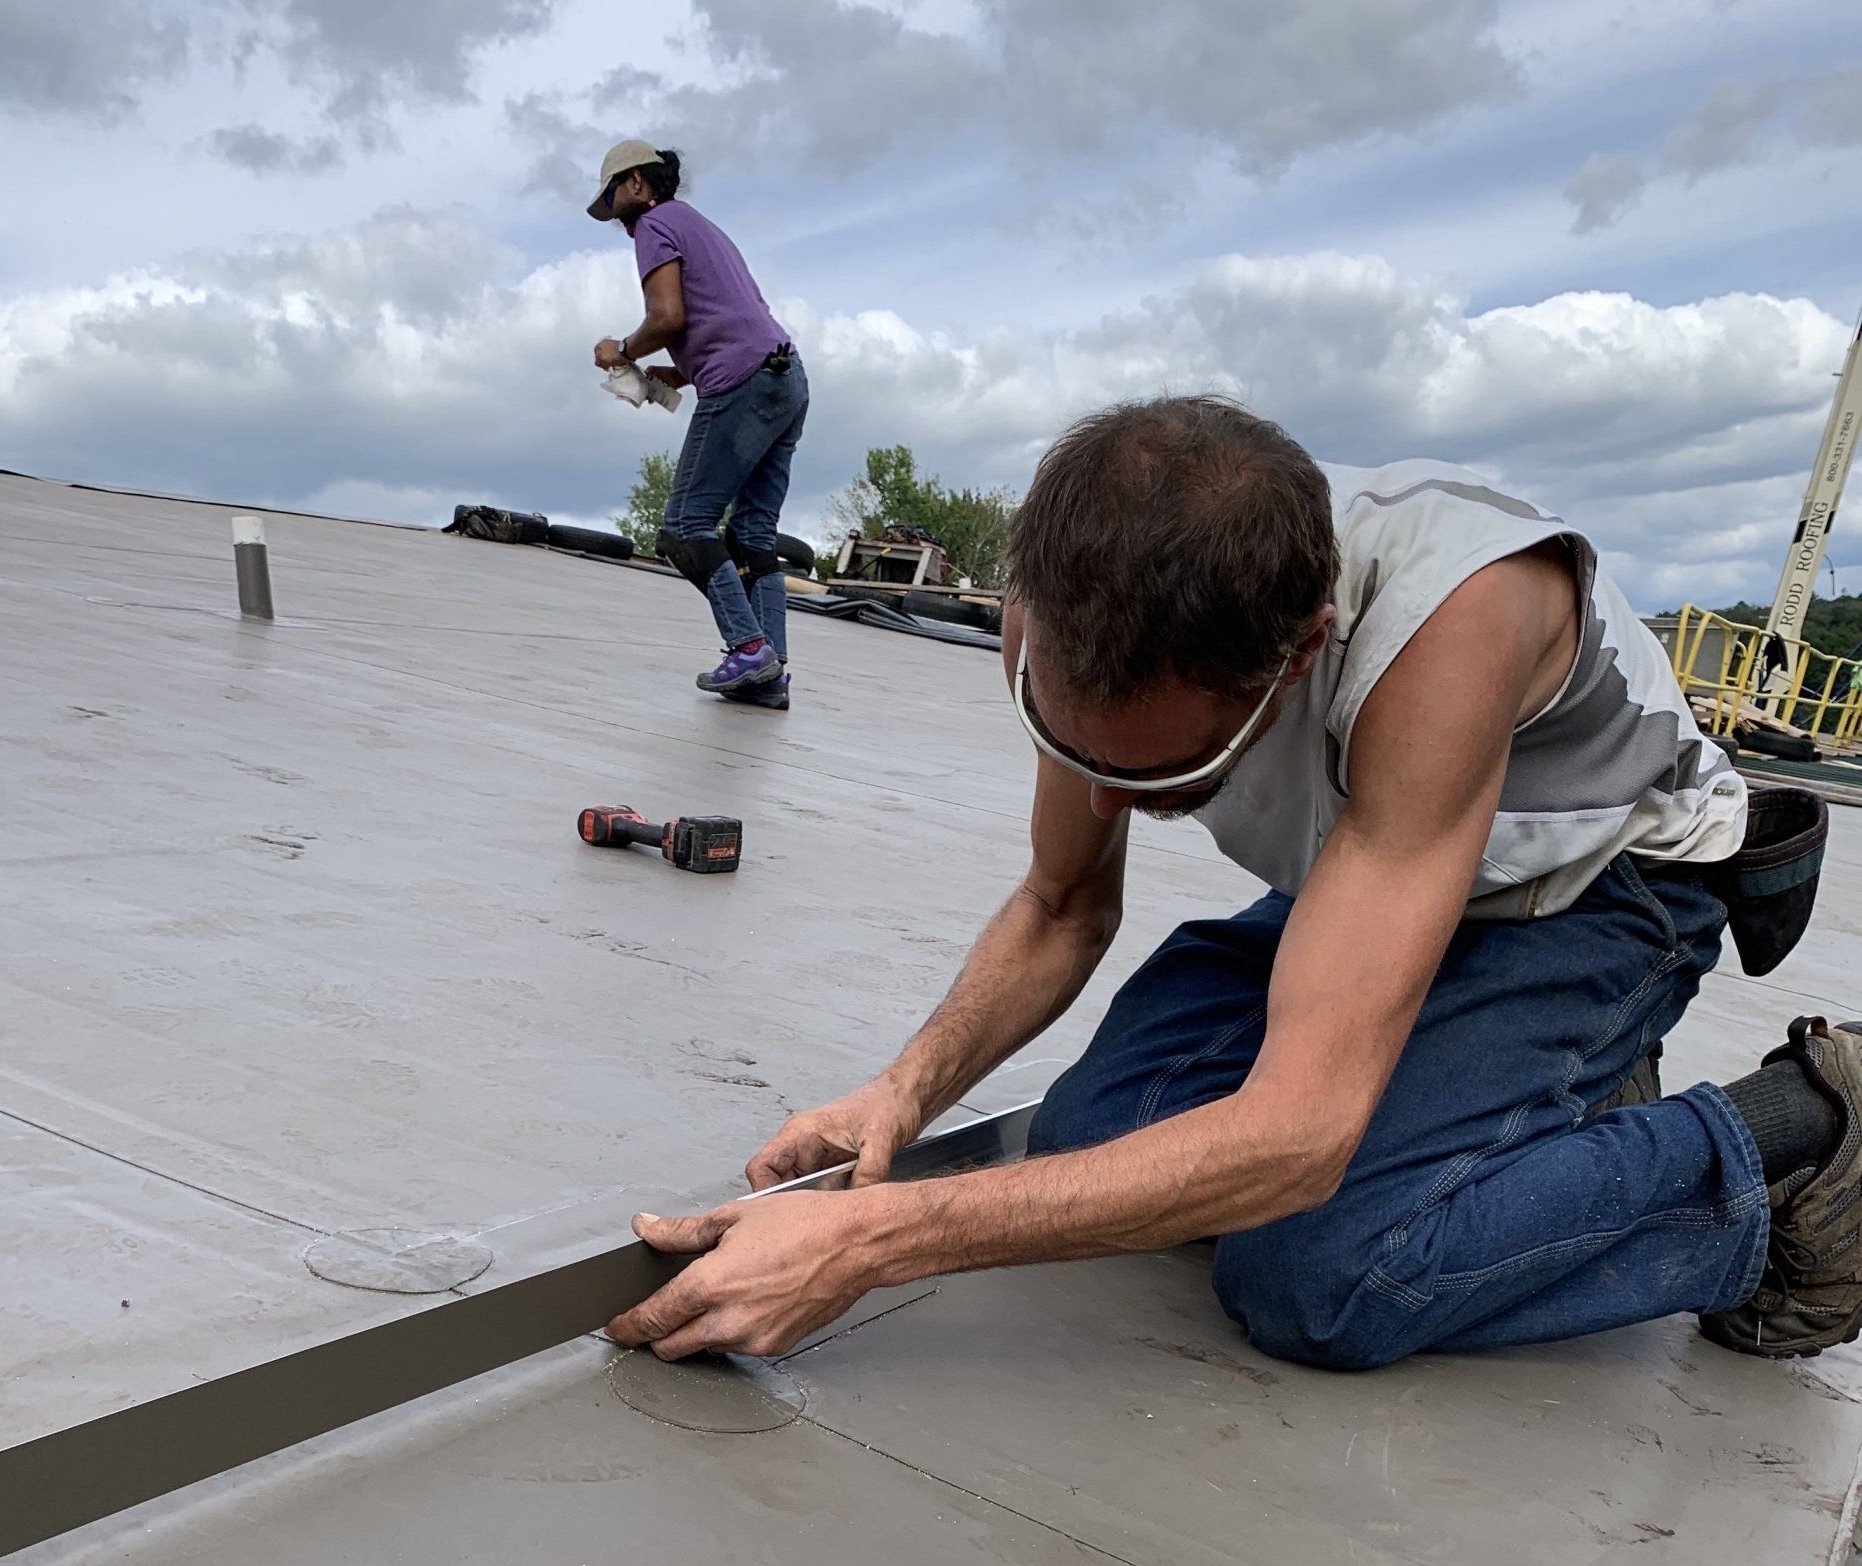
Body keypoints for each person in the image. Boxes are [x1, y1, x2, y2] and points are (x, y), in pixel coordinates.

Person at [607, 396, 1858, 1369]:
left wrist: (874, 1240)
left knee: (1329, 1276)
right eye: (1077, 754)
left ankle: (1800, 1132)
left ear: (1302, 652)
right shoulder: (1063, 607)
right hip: (1375, 873)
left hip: (1595, 890)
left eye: (1162, 772)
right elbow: (1061, 901)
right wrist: (903, 1091)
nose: (1101, 805)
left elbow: (1300, 1141)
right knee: (1094, 1138)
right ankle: (1525, 1113)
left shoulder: (1455, 622)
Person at [589, 139, 808, 710]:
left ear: (637, 182)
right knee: (753, 533)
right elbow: (733, 314)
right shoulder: (703, 227)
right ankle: (771, 674)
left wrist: (620, 351)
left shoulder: (654, 224)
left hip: (741, 383)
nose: (617, 220)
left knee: (685, 526)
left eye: (613, 200)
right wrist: (678, 373)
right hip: (785, 377)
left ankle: (749, 648)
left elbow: (667, 317)